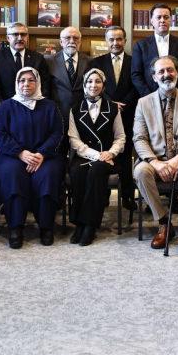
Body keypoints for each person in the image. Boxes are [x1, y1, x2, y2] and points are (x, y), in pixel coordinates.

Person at [132, 56, 178, 258]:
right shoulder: (143, 103)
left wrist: (177, 160)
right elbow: (139, 138)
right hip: (155, 158)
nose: (166, 75)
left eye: (170, 70)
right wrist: (155, 163)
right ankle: (164, 222)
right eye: (161, 71)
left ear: (177, 73)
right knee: (140, 171)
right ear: (154, 77)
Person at [0, 67, 65, 249]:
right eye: (22, 80)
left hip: (44, 156)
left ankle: (46, 227)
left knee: (47, 175)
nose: (26, 84)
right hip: (12, 155)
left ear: (37, 83)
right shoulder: (6, 106)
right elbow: (0, 134)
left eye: (31, 80)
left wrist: (41, 153)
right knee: (13, 174)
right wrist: (20, 153)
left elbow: (57, 133)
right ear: (17, 83)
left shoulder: (49, 106)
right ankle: (15, 227)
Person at [66, 68, 125, 246]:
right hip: (85, 155)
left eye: (98, 81)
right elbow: (74, 139)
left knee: (96, 171)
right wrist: (96, 155)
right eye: (90, 81)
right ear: (84, 85)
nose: (93, 85)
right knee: (77, 172)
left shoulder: (113, 108)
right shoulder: (75, 109)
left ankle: (89, 225)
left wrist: (111, 152)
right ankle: (79, 224)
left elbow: (120, 137)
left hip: (108, 157)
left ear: (104, 86)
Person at [90, 25, 138, 214]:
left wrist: (123, 104)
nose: (115, 43)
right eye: (111, 39)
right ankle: (102, 195)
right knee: (104, 155)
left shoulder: (134, 61)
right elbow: (94, 87)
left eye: (119, 39)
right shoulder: (97, 62)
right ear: (106, 41)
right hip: (104, 117)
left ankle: (127, 196)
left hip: (129, 114)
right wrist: (110, 104)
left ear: (125, 41)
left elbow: (137, 85)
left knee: (126, 157)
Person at [131, 3, 178, 96]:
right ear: (152, 21)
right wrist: (150, 96)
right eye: (158, 17)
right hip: (149, 96)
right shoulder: (140, 45)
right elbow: (136, 74)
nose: (162, 20)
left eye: (166, 17)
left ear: (171, 20)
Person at [0, 22, 51, 110]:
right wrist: (2, 109)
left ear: (27, 37)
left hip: (34, 109)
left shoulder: (38, 58)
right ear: (8, 38)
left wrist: (39, 107)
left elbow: (45, 85)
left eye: (23, 35)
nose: (20, 38)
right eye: (15, 34)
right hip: (5, 109)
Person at [45, 26, 90, 112]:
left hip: (82, 111)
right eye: (67, 38)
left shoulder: (89, 61)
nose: (72, 41)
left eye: (76, 38)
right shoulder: (49, 61)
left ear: (80, 42)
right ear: (61, 42)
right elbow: (45, 89)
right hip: (57, 111)